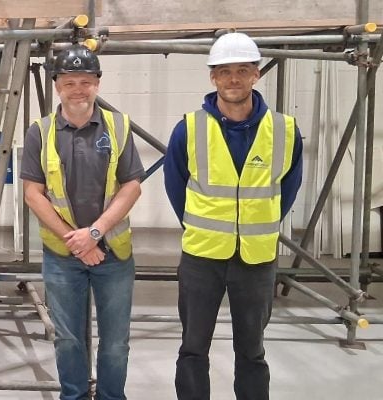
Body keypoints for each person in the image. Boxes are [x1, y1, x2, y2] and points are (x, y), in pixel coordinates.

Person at [164, 32, 303, 400]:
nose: (234, 79)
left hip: (256, 259)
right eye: (225, 72)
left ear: (257, 74)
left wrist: (256, 224)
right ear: (213, 77)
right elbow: (176, 187)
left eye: (243, 70)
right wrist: (204, 225)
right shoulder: (189, 129)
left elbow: (287, 190)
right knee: (193, 348)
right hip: (202, 256)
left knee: (253, 351)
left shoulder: (285, 131)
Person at [20, 44, 144, 400]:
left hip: (113, 254)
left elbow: (132, 186)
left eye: (86, 81)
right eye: (70, 81)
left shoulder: (118, 126)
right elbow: (33, 193)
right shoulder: (39, 133)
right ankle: (72, 396)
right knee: (68, 338)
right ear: (57, 84)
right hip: (63, 257)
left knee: (116, 342)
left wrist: (94, 233)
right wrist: (74, 241)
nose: (78, 89)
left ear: (98, 84)